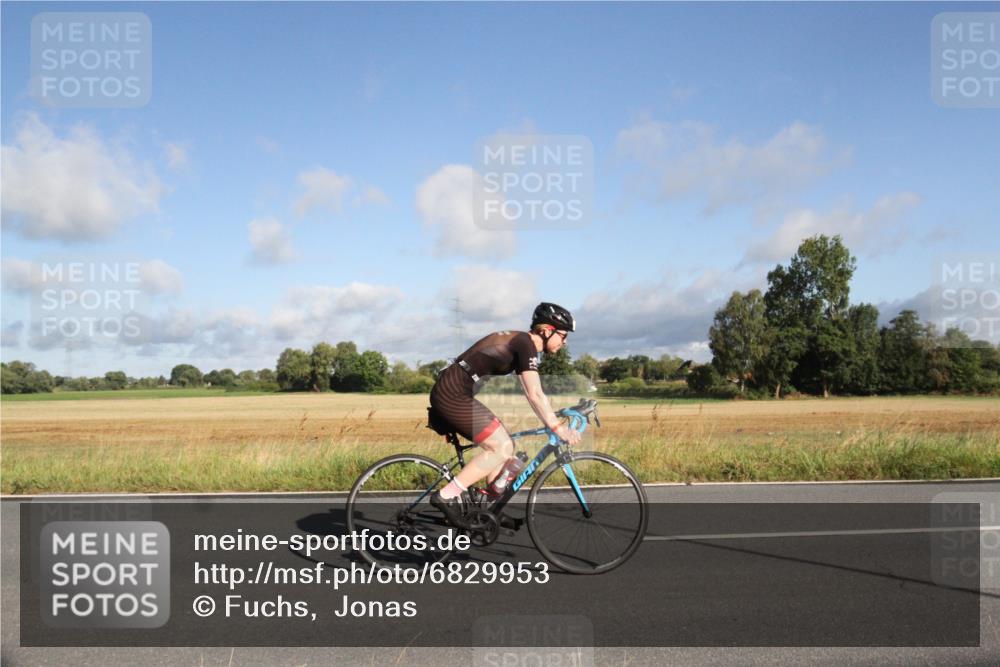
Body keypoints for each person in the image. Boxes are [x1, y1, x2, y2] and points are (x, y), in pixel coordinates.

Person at [429, 302, 582, 527]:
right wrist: (558, 427)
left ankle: (492, 511)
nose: (565, 341)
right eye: (563, 335)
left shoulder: (521, 343)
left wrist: (556, 414)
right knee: (500, 447)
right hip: (452, 393)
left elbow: (534, 392)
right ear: (547, 330)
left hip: (457, 391)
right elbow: (534, 394)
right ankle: (445, 496)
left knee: (506, 446)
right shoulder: (525, 344)